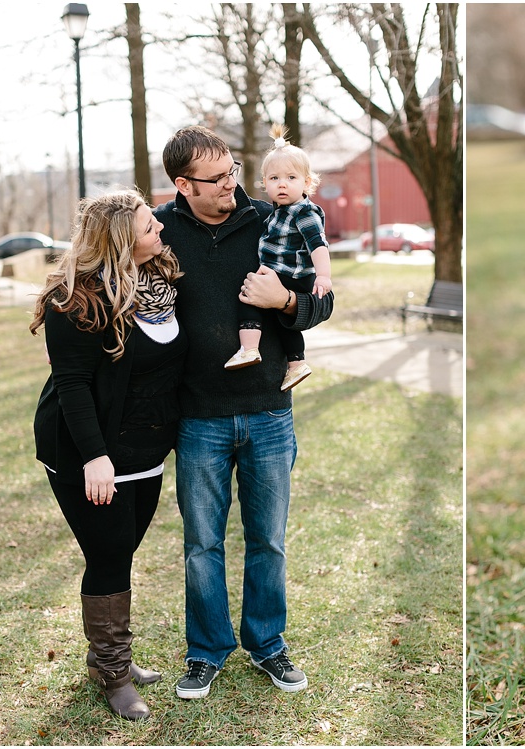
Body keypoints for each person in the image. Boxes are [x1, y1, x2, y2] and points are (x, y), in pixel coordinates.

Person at [154, 125, 333, 700]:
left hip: (268, 412)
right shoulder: (160, 231)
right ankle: (206, 651)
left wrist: (284, 302)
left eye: (234, 170)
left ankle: (268, 646)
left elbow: (322, 299)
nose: (232, 184)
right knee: (201, 544)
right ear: (184, 185)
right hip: (199, 417)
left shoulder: (271, 216)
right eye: (217, 178)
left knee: (269, 540)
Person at [31, 190, 186, 721]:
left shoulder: (161, 283)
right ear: (122, 240)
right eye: (149, 226)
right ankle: (114, 672)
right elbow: (72, 384)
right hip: (85, 451)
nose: (160, 231)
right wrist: (95, 458)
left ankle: (105, 659)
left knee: (121, 549)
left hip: (145, 447)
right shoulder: (73, 299)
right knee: (110, 552)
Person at [223, 124, 332, 391]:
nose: (282, 184)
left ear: (308, 182)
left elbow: (318, 244)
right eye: (274, 179)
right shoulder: (276, 213)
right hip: (287, 275)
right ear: (264, 183)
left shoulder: (302, 212)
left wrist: (324, 275)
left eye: (291, 178)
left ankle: (249, 348)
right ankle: (296, 365)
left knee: (250, 296)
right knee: (284, 324)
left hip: (292, 275)